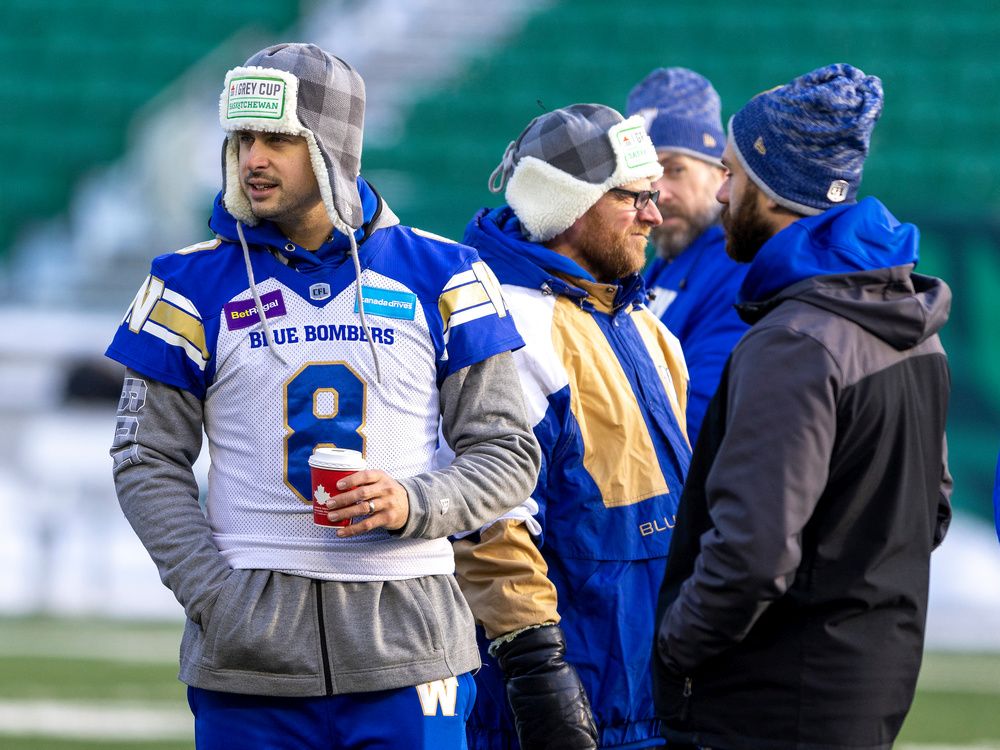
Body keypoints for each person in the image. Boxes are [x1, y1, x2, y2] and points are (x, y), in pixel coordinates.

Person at [106, 42, 541, 750]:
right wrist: (217, 597)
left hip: (411, 641)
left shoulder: (449, 274)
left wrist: (414, 502)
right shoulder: (185, 283)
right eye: (242, 138)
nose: (252, 159)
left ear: (333, 146)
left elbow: (507, 451)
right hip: (249, 657)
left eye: (278, 139)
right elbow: (143, 458)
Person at [653, 64, 953, 749]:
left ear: (774, 187)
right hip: (864, 690)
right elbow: (930, 510)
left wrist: (673, 647)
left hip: (769, 706)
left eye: (730, 174)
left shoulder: (794, 340)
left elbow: (753, 555)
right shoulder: (909, 325)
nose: (721, 194)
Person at [454, 103, 693, 749]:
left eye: (653, 196)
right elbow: (489, 523)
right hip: (553, 708)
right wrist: (540, 673)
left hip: (648, 695)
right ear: (565, 206)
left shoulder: (645, 324)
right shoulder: (506, 327)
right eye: (632, 198)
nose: (654, 214)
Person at [626, 68, 749, 447]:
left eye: (674, 169)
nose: (658, 191)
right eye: (645, 173)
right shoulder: (666, 260)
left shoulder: (739, 267)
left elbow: (700, 427)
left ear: (720, 170)